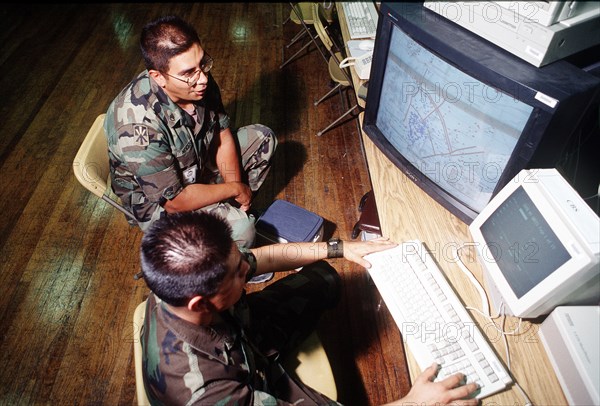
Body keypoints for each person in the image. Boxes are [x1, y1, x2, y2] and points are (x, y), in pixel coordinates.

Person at [139, 211, 480, 405]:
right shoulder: (203, 393)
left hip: (243, 337)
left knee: (324, 278)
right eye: (240, 273)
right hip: (241, 383)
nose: (248, 268)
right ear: (200, 303)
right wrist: (412, 404)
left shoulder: (179, 281)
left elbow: (261, 258)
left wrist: (340, 248)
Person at [104, 15, 276, 248]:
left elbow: (221, 135)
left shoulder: (195, 81)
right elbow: (174, 201)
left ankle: (231, 211)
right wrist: (235, 188)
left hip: (194, 166)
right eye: (189, 73)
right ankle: (235, 258)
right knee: (242, 231)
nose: (203, 79)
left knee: (262, 139)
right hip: (162, 203)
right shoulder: (136, 127)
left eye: (203, 63)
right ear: (158, 77)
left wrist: (234, 193)